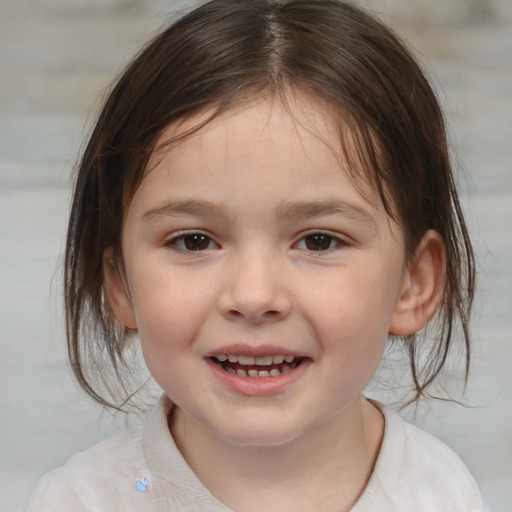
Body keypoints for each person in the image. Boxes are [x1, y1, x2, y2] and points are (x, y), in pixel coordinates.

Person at [22, 0, 488, 510]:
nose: (253, 296)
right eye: (194, 241)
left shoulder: (442, 494)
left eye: (318, 241)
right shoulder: (77, 502)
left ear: (413, 283)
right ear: (119, 282)